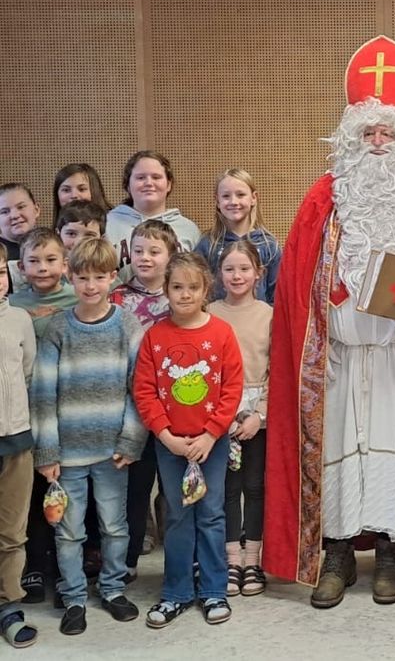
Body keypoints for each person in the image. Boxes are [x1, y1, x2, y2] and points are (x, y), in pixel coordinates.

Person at [265, 36, 395, 609]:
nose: (379, 144)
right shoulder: (322, 202)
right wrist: (322, 331)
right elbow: (294, 290)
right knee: (336, 451)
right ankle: (336, 554)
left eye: (389, 134)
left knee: (394, 448)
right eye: (368, 133)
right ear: (351, 139)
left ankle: (387, 552)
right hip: (336, 361)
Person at [30, 237, 146, 636]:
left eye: (100, 277)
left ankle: (112, 589)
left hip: (112, 451)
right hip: (67, 454)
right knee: (69, 531)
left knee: (115, 526)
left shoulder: (128, 325)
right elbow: (43, 393)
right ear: (70, 276)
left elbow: (139, 388)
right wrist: (47, 450)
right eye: (82, 277)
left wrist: (131, 441)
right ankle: (74, 596)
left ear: (114, 278)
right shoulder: (58, 328)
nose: (91, 285)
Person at [133, 253, 243, 629]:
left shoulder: (222, 333)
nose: (184, 295)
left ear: (205, 289)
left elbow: (232, 389)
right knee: (178, 517)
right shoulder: (155, 336)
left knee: (211, 515)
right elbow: (145, 392)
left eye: (192, 287)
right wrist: (166, 437)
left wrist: (211, 434)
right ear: (166, 290)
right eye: (176, 287)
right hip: (172, 446)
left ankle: (214, 589)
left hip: (211, 445)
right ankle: (176, 592)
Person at [109, 219, 179, 581]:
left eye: (154, 251)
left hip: (173, 409)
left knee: (175, 489)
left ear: (171, 257)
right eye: (138, 251)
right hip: (131, 411)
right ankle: (129, 559)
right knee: (135, 490)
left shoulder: (179, 298)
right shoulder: (117, 298)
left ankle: (182, 561)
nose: (145, 258)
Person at [10, 228, 76, 606]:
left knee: (69, 487)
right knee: (35, 492)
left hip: (70, 409)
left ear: (65, 263)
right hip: (28, 410)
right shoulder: (14, 304)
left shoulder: (76, 296)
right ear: (21, 266)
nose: (43, 267)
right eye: (33, 260)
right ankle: (34, 564)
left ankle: (71, 564)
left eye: (51, 259)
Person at [207, 241, 272, 599]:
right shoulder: (210, 312)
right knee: (228, 490)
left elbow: (277, 370)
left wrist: (259, 413)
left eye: (244, 269)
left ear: (258, 273)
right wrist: (223, 415)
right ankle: (231, 559)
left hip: (257, 418)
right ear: (219, 274)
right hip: (221, 417)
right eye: (230, 269)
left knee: (255, 487)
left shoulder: (268, 313)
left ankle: (253, 558)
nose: (237, 275)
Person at [0, 244, 39, 648]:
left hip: (15, 440)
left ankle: (9, 605)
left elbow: (27, 374)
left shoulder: (19, 320)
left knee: (12, 531)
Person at [105, 150, 201, 278]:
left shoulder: (189, 229)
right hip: (118, 298)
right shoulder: (107, 224)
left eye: (156, 177)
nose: (149, 183)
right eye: (140, 178)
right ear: (128, 185)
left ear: (169, 184)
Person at [195, 168, 282, 306]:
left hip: (258, 324)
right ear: (217, 201)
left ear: (253, 198)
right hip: (216, 321)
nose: (233, 201)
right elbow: (197, 290)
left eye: (240, 194)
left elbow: (277, 296)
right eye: (226, 196)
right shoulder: (207, 245)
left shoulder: (269, 246)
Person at [0, 183, 42, 293]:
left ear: (36, 209)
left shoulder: (52, 245)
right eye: (5, 211)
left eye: (21, 207)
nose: (14, 215)